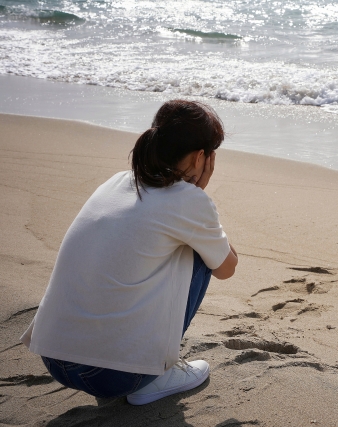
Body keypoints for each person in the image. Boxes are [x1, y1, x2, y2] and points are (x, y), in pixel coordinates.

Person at [20, 100, 238, 405]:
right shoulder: (188, 200)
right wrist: (197, 194)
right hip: (113, 377)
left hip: (53, 357)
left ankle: (139, 364)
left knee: (171, 244)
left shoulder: (117, 181)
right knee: (202, 254)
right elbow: (227, 267)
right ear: (201, 157)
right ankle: (155, 374)